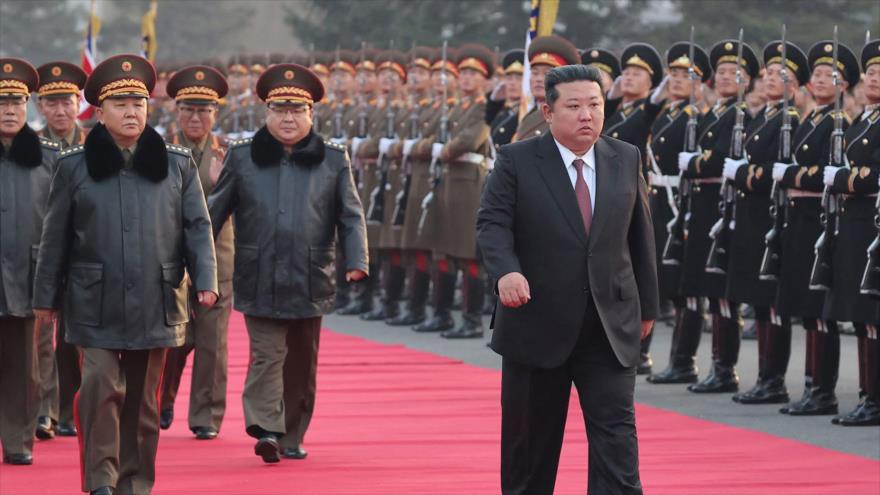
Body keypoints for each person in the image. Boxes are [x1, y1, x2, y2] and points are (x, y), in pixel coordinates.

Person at [32, 54, 219, 495]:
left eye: (139, 102)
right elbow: (54, 234)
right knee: (97, 387)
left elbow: (197, 226)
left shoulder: (175, 164)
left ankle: (135, 482)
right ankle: (100, 479)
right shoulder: (74, 166)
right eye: (121, 104)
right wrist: (44, 297)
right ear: (99, 113)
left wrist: (206, 281)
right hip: (92, 300)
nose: (132, 111)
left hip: (157, 297)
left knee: (142, 403)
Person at [478, 64, 658, 494]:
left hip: (608, 325)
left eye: (594, 104)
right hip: (537, 322)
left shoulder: (624, 157)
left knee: (617, 442)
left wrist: (648, 307)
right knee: (530, 450)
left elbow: (641, 235)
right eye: (574, 106)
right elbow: (492, 224)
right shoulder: (517, 160)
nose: (587, 115)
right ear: (547, 110)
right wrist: (507, 271)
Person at [207, 62, 368, 463]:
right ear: (267, 114)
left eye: (297, 110)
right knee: (266, 354)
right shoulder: (242, 157)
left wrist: (357, 258)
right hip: (257, 272)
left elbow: (350, 214)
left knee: (301, 360)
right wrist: (196, 258)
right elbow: (215, 211)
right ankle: (266, 427)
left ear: (311, 114)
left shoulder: (332, 159)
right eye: (280, 110)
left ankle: (292, 434)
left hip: (311, 274)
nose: (289, 118)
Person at [774, 40, 860, 416]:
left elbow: (829, 172)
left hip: (818, 218)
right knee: (807, 310)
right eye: (819, 74)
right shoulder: (811, 119)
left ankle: (822, 388)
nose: (823, 80)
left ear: (845, 85)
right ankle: (812, 384)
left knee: (820, 309)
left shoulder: (840, 122)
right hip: (800, 218)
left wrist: (791, 174)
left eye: (832, 76)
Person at [726, 40, 809, 405]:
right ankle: (764, 375)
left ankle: (773, 378)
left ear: (794, 83)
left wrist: (742, 172)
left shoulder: (789, 119)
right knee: (760, 302)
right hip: (753, 216)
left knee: (772, 303)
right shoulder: (765, 115)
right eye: (768, 73)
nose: (770, 78)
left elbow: (775, 171)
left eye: (780, 74)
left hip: (772, 215)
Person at [677, 39, 760, 394]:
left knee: (723, 293)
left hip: (724, 207)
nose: (726, 77)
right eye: (722, 71)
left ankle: (725, 367)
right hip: (704, 206)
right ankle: (715, 364)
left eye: (734, 72)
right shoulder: (714, 112)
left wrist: (694, 164)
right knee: (709, 290)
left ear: (748, 80)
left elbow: (721, 158)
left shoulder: (742, 116)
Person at [158, 65, 234, 440]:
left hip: (218, 259)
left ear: (215, 114)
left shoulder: (230, 154)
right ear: (176, 110)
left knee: (212, 344)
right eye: (188, 108)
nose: (195, 116)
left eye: (204, 109)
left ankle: (206, 415)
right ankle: (162, 398)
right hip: (169, 260)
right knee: (173, 339)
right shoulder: (157, 150)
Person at [0, 57, 59, 466]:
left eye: (17, 103)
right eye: (1, 103)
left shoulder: (50, 158)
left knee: (25, 367)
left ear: (29, 108)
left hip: (27, 274)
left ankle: (18, 440)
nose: (9, 111)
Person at [645, 41, 713, 385]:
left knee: (686, 285)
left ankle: (684, 359)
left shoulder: (696, 117)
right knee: (665, 279)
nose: (675, 79)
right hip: (659, 199)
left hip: (679, 202)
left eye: (684, 75)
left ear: (699, 83)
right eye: (671, 73)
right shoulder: (669, 113)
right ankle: (672, 358)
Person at [825, 38, 880, 426]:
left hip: (872, 223)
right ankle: (867, 394)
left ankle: (875, 399)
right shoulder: (864, 119)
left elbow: (873, 176)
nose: (874, 77)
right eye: (872, 71)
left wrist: (842, 178)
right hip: (857, 225)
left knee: (873, 317)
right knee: (863, 318)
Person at [33, 60, 89, 440]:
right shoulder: (28, 148)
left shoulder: (97, 144)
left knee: (76, 341)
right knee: (40, 341)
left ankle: (73, 410)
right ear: (40, 107)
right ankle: (45, 412)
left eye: (67, 101)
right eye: (52, 103)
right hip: (40, 254)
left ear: (78, 103)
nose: (60, 110)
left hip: (86, 255)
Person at [511, 35, 581, 142]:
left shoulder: (569, 115)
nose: (538, 79)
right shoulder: (531, 113)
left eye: (547, 73)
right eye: (534, 73)